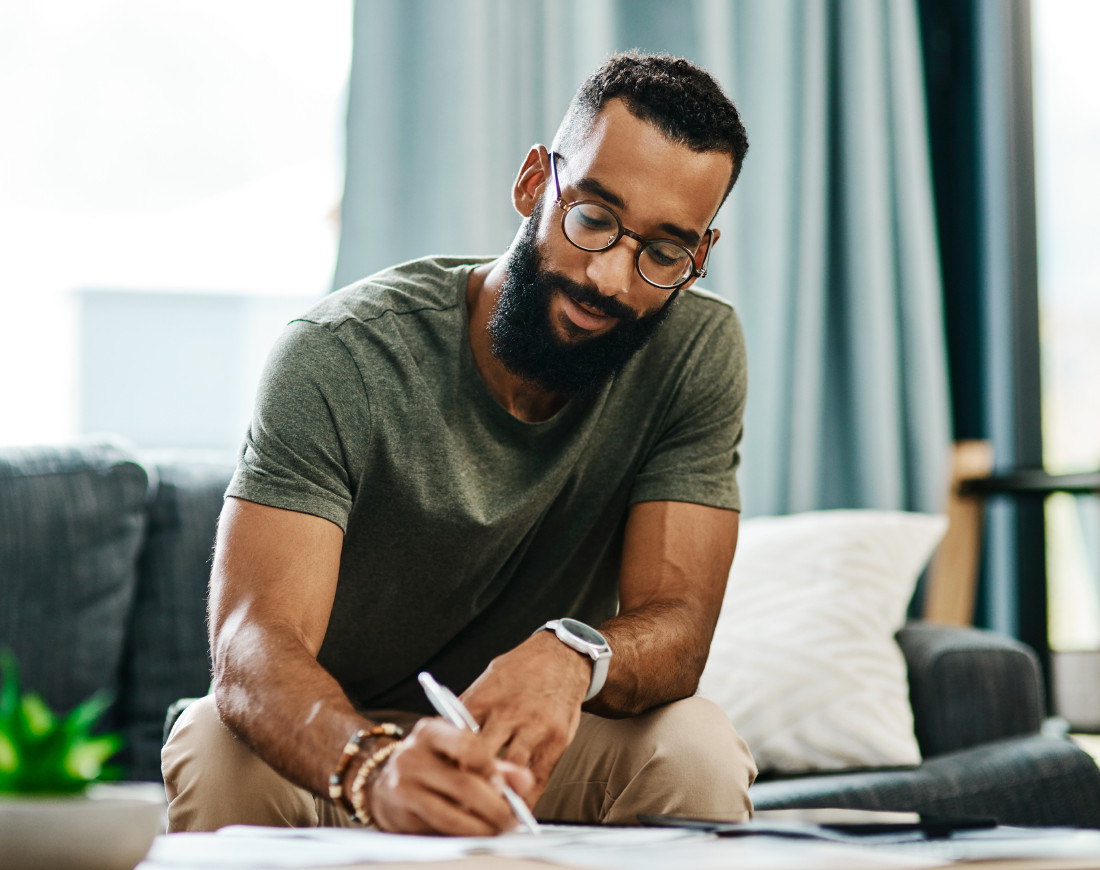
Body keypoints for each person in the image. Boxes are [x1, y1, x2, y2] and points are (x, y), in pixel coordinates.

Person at [163, 50, 756, 836]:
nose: (612, 279)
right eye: (593, 219)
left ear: (699, 256)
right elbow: (251, 643)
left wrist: (572, 654)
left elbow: (677, 627)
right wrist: (371, 768)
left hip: (522, 752)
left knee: (696, 746)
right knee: (215, 740)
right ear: (534, 184)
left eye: (663, 252)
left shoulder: (694, 350)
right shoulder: (339, 353)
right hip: (338, 741)